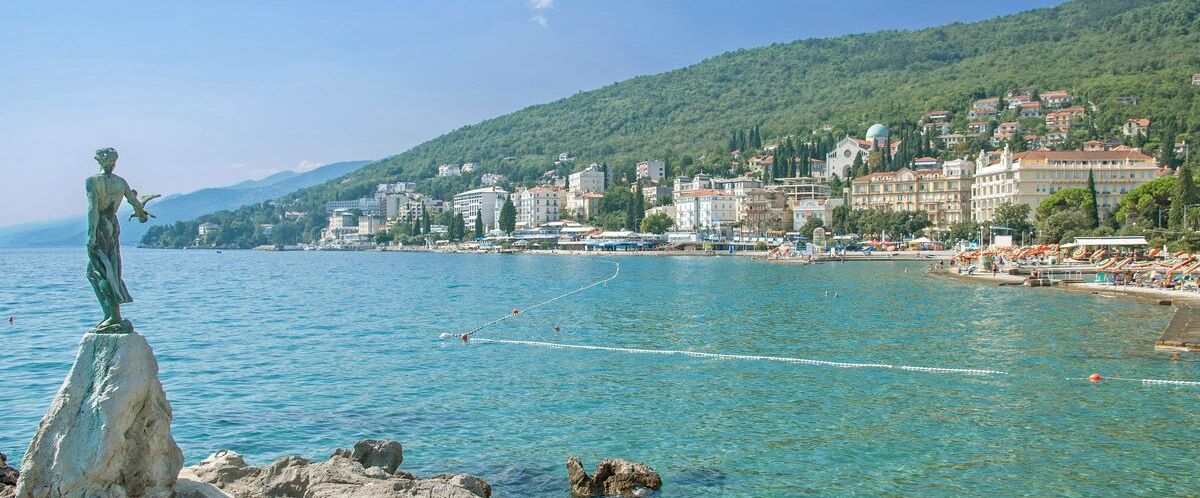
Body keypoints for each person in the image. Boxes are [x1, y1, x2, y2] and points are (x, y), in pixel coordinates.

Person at [86, 147, 156, 332]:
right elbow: (135, 204)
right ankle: (112, 314)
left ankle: (112, 315)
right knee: (112, 269)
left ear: (100, 160)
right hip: (113, 225)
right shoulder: (121, 182)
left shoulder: (93, 181)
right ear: (114, 161)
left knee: (97, 272)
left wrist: (91, 234)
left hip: (100, 226)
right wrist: (141, 214)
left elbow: (93, 210)